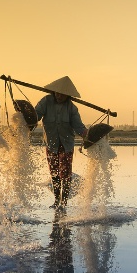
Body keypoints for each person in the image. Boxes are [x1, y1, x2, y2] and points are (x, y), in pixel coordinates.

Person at [34, 77, 88, 210]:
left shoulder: (72, 108)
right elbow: (35, 115)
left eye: (61, 93)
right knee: (54, 173)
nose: (58, 95)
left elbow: (79, 127)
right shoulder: (46, 102)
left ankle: (64, 203)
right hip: (51, 144)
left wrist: (87, 135)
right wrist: (26, 116)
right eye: (57, 92)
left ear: (67, 95)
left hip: (66, 144)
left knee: (65, 174)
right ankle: (56, 200)